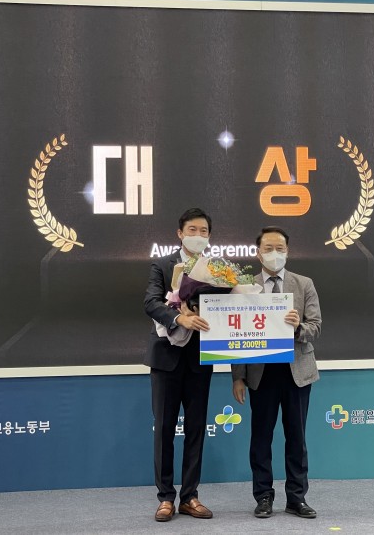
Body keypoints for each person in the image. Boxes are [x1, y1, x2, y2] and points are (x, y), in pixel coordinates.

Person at [231, 226, 322, 519]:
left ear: (288, 252)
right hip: (262, 374)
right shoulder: (244, 287)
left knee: (297, 437)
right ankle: (263, 497)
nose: (274, 254)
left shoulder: (304, 284)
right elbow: (237, 336)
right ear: (258, 253)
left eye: (280, 248)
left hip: (297, 372)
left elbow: (315, 327)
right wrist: (238, 376)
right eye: (268, 248)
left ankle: (296, 498)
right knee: (261, 438)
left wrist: (297, 327)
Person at [144, 208, 214, 522]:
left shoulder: (216, 269)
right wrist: (178, 318)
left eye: (203, 231)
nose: (198, 235)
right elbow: (151, 303)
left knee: (196, 429)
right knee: (164, 430)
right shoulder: (162, 265)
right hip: (166, 360)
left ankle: (189, 496)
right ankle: (165, 497)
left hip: (200, 359)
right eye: (192, 230)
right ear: (180, 233)